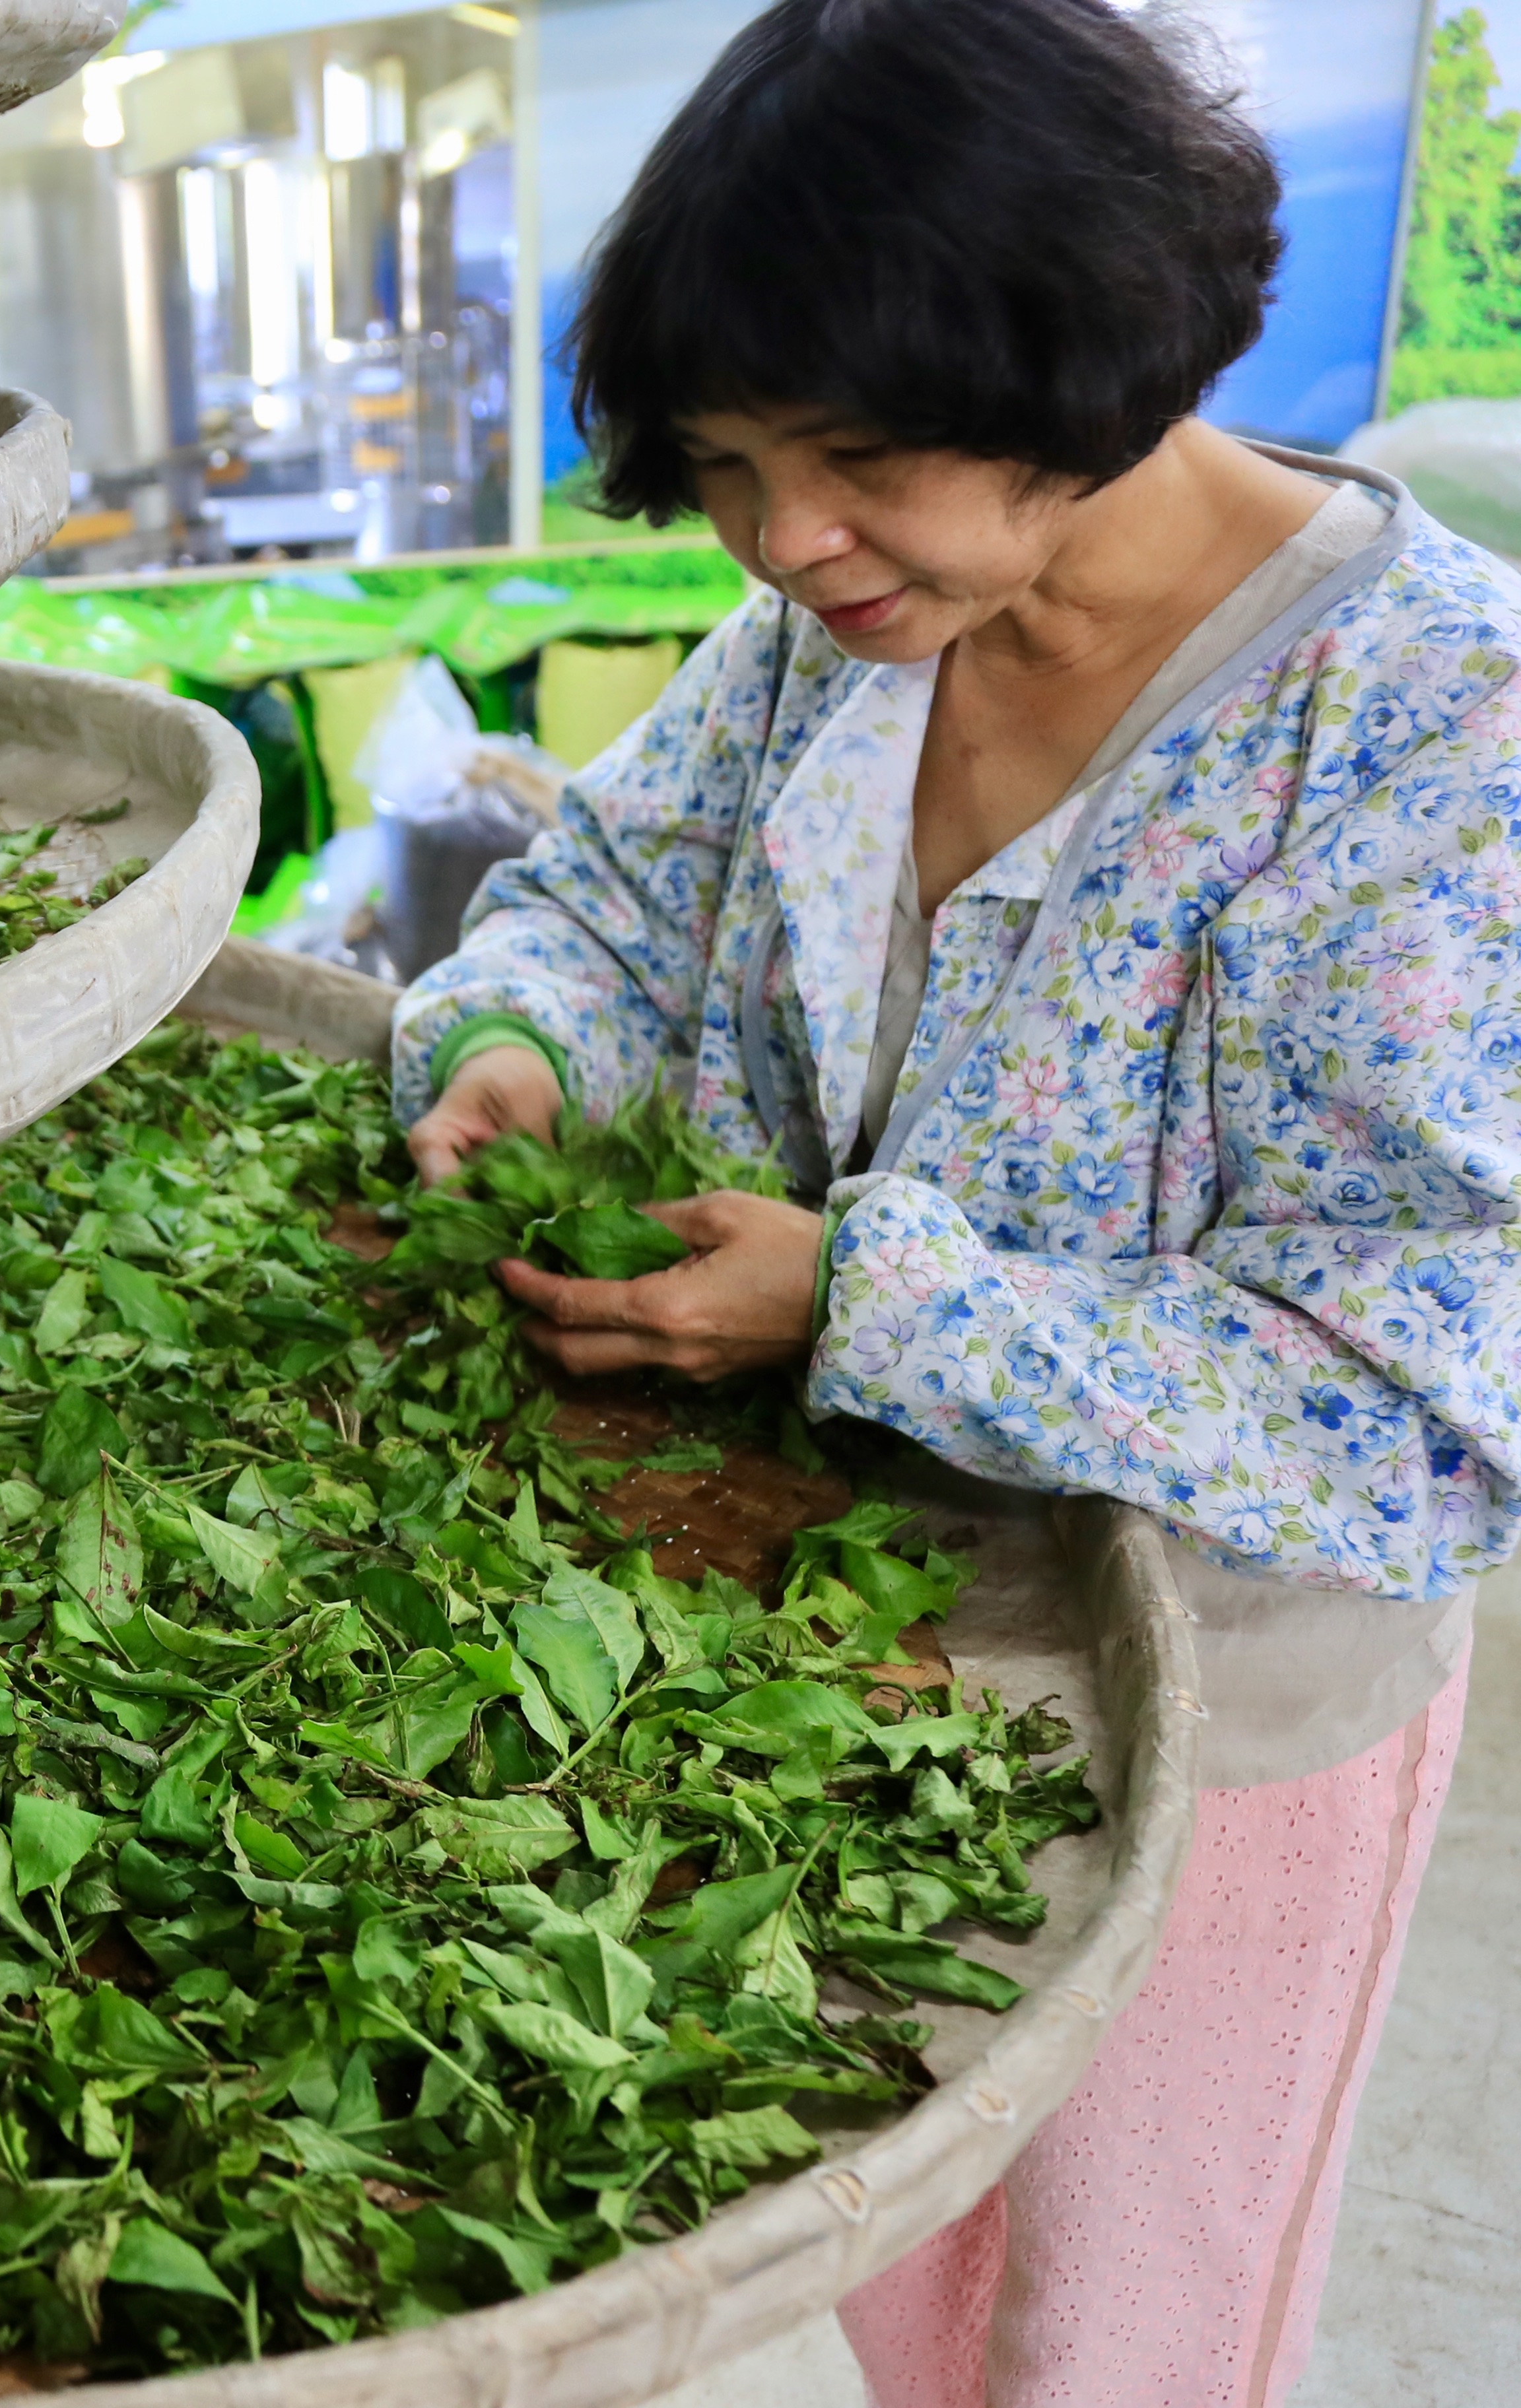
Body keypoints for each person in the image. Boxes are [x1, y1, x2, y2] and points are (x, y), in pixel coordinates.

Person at [388, 1, 1512, 2399]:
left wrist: (864, 1306)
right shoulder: (833, 645)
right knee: (892, 2269)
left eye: (863, 455)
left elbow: (1437, 1388)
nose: (784, 539)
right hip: (844, 1646)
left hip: (1229, 1703)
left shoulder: (1443, 736)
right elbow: (600, 900)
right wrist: (514, 1050)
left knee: (1119, 2331)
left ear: (1092, 362)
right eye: (722, 465)